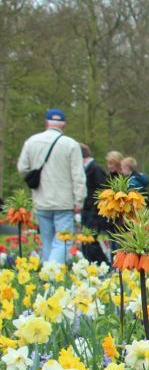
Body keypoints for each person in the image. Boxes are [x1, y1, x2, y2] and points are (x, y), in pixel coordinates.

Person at [16, 108, 86, 264]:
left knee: (47, 242)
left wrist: (35, 178)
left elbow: (22, 168)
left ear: (46, 122)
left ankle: (46, 279)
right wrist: (79, 200)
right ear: (64, 125)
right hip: (64, 201)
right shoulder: (71, 145)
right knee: (63, 242)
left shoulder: (31, 142)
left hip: (41, 200)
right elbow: (78, 176)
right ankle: (52, 274)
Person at [79, 143, 113, 264]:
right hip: (89, 211)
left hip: (94, 212)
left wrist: (96, 210)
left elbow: (103, 190)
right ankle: (99, 264)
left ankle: (103, 264)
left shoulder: (95, 168)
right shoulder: (89, 168)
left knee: (90, 241)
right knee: (87, 241)